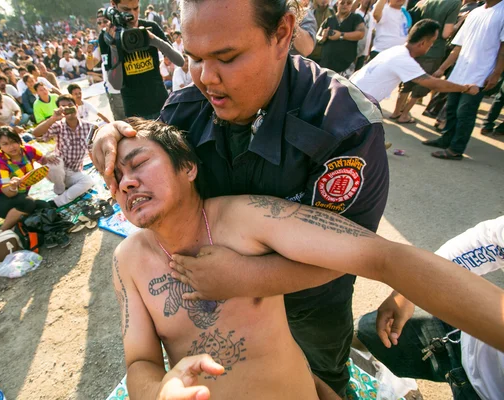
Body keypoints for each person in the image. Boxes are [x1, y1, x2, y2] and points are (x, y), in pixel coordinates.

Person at [92, 0, 390, 395]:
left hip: (311, 302)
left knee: (323, 375)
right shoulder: (184, 110)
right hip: (226, 309)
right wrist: (115, 134)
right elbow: (154, 163)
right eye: (193, 57)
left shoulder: (345, 125)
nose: (205, 78)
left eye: (226, 57)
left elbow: (359, 251)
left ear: (283, 32)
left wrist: (247, 277)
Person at [111, 118, 504, 400]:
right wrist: (159, 391)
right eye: (114, 177)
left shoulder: (244, 217)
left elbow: (383, 257)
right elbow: (140, 361)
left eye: (139, 163)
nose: (125, 182)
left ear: (189, 167)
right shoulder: (127, 260)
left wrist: (248, 275)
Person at [356, 216, 504, 400]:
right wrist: (411, 289)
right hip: (464, 334)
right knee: (365, 331)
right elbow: (491, 241)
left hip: (485, 393)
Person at [422, 0, 504, 160]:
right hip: (460, 71)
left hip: (480, 74)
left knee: (465, 112)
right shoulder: (476, 12)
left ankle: (456, 149)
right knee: (451, 108)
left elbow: (503, 48)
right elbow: (458, 46)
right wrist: (442, 68)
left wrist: (496, 73)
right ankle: (446, 139)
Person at [351, 20, 479, 103]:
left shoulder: (396, 50)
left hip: (355, 98)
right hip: (357, 103)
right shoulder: (403, 59)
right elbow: (434, 84)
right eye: (432, 43)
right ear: (423, 43)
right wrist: (465, 88)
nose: (431, 47)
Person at [97, 2, 185, 119]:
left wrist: (155, 40)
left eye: (136, 8)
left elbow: (180, 61)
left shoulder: (151, 26)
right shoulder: (106, 37)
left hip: (161, 104)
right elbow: (116, 84)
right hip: (135, 113)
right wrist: (114, 47)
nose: (133, 14)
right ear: (114, 5)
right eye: (126, 9)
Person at [389, 0, 462, 124]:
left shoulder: (427, 1)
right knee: (422, 85)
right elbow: (446, 33)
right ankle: (404, 114)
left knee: (406, 82)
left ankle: (396, 112)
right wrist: (459, 22)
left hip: (414, 46)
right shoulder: (454, 3)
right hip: (433, 50)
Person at [0, 127, 58, 232]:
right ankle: (3, 231)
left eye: (13, 141)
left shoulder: (28, 150)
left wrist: (50, 156)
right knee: (28, 203)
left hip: (19, 197)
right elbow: (8, 193)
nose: (11, 147)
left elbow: (44, 160)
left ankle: (19, 225)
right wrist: (13, 186)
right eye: (5, 144)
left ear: (19, 140)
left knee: (44, 206)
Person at [31, 95, 95, 208]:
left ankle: (56, 202)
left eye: (70, 105)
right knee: (56, 163)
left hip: (73, 171)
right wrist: (53, 118)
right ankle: (60, 190)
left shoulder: (89, 127)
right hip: (56, 169)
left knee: (88, 181)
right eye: (64, 107)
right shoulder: (58, 126)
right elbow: (36, 133)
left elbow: (92, 150)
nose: (68, 109)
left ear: (76, 106)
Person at [90, 15, 126, 121]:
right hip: (113, 87)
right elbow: (90, 65)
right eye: (99, 23)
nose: (102, 25)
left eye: (105, 21)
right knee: (121, 118)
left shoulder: (122, 35)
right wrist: (88, 54)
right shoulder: (101, 41)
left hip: (127, 84)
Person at [316, 0, 365, 76]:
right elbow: (317, 36)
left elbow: (361, 34)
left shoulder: (356, 18)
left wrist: (340, 35)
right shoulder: (329, 19)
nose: (345, 5)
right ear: (337, 3)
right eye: (342, 2)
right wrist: (323, 37)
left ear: (351, 5)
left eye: (348, 3)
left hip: (346, 67)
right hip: (326, 66)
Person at [354, 0, 376, 71]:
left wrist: (368, 51)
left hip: (364, 52)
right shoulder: (356, 12)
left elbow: (371, 34)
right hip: (354, 51)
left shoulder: (372, 15)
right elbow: (351, 9)